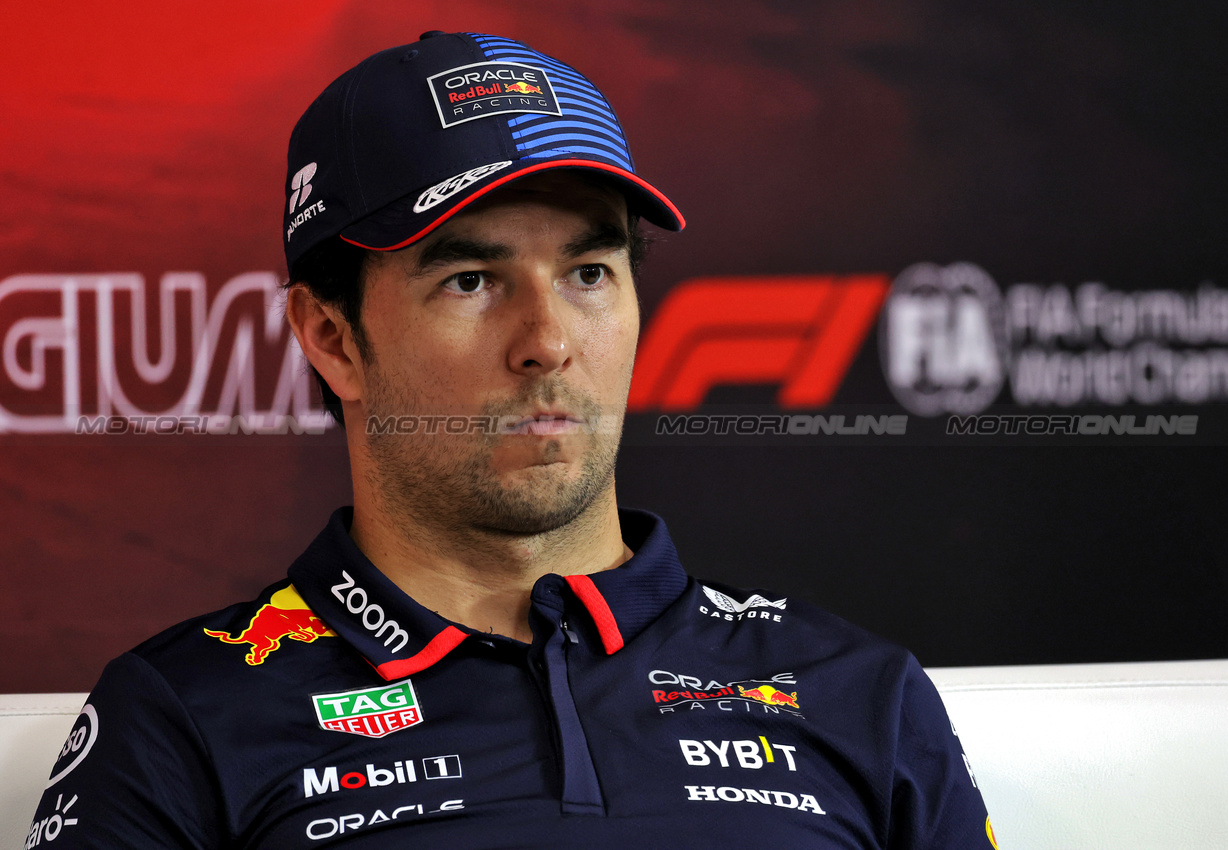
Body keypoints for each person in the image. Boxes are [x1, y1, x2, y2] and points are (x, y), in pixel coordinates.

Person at [28, 30, 996, 849]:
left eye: (587, 272)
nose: (548, 343)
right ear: (331, 337)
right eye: (470, 281)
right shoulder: (187, 717)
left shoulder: (855, 692)